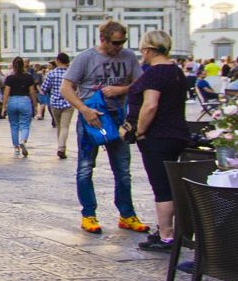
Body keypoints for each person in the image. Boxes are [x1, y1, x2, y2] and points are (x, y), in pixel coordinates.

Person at [58, 20, 149, 236]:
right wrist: (84, 110)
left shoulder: (128, 57)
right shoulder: (85, 58)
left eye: (123, 42)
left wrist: (121, 90)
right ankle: (88, 214)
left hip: (117, 119)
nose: (120, 47)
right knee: (85, 168)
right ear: (103, 39)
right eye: (116, 43)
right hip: (92, 119)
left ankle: (127, 214)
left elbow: (141, 83)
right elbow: (66, 88)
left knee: (123, 170)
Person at [124, 31, 191, 253]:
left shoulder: (155, 73)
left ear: (148, 50)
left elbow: (150, 105)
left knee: (161, 186)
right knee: (169, 183)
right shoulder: (176, 71)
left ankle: (166, 236)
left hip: (158, 136)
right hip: (177, 134)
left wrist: (140, 130)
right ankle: (166, 229)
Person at [3, 57, 38, 158]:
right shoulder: (29, 77)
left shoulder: (10, 78)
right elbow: (32, 92)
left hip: (12, 101)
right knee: (25, 125)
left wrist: (4, 106)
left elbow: (6, 93)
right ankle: (23, 140)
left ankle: (16, 147)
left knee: (14, 126)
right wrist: (35, 104)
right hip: (25, 101)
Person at [41, 53, 72, 160]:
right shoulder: (71, 72)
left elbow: (44, 88)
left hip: (54, 103)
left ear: (58, 61)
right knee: (65, 126)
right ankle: (61, 148)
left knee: (59, 126)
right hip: (68, 102)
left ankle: (60, 147)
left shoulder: (51, 73)